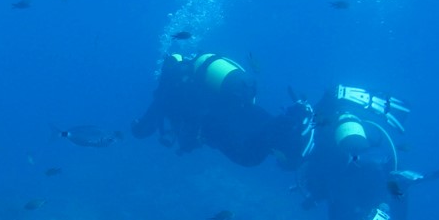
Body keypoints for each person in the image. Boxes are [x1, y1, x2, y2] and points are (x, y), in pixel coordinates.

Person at [296, 84, 432, 220]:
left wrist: (313, 196)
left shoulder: (322, 130)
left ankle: (380, 205)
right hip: (375, 167)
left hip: (352, 172)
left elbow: (323, 178)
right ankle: (386, 199)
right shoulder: (364, 115)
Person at [132, 51, 316, 169]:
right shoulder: (197, 77)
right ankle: (294, 123)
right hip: (238, 105)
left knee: (247, 157)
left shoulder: (169, 90)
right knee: (262, 128)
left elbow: (145, 128)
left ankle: (288, 131)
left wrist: (136, 128)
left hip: (213, 123)